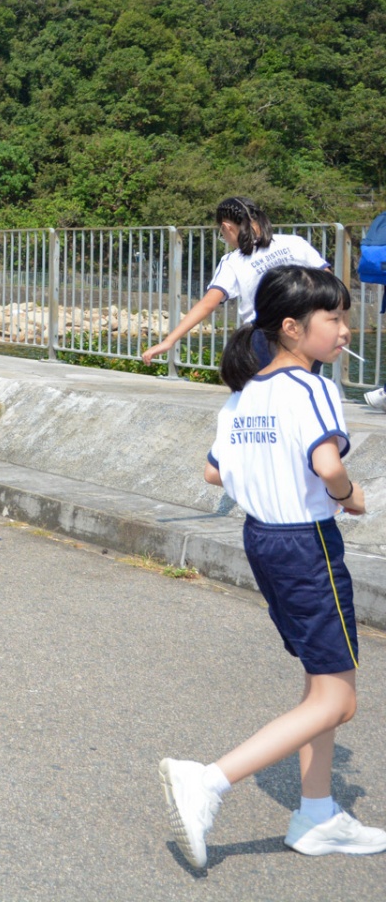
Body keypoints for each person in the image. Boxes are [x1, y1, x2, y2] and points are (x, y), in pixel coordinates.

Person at [159, 265, 385, 867]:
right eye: (333, 317)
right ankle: (209, 780)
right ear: (292, 327)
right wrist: (350, 496)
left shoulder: (244, 394)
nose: (345, 329)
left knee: (321, 681)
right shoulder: (311, 388)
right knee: (338, 700)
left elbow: (214, 471)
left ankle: (317, 815)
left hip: (263, 540)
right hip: (307, 545)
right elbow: (329, 466)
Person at [144, 197, 329, 370]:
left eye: (222, 233)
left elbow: (208, 304)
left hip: (267, 337)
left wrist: (169, 341)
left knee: (264, 389)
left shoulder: (234, 261)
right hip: (308, 330)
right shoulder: (295, 243)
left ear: (227, 227)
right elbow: (331, 284)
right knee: (304, 385)